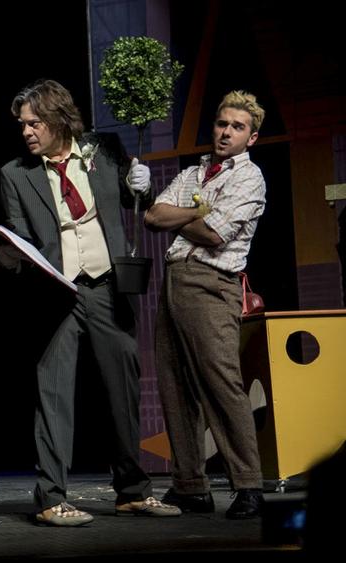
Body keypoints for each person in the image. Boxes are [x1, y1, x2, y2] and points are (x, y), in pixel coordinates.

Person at [0, 79, 179, 526]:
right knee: (54, 394)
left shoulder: (106, 150)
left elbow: (139, 202)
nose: (26, 132)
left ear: (58, 119)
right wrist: (7, 253)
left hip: (106, 287)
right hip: (57, 292)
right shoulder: (15, 174)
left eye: (34, 123)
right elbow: (19, 235)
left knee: (123, 390)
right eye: (23, 125)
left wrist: (142, 185)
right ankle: (50, 497)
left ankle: (132, 492)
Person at [145, 90, 267, 519]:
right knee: (174, 384)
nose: (226, 132)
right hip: (174, 280)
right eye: (221, 123)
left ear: (251, 137)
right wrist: (197, 212)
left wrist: (185, 216)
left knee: (220, 383)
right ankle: (190, 487)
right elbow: (153, 216)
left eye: (237, 127)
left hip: (213, 283)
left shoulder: (249, 178)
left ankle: (248, 485)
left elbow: (215, 234)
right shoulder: (193, 173)